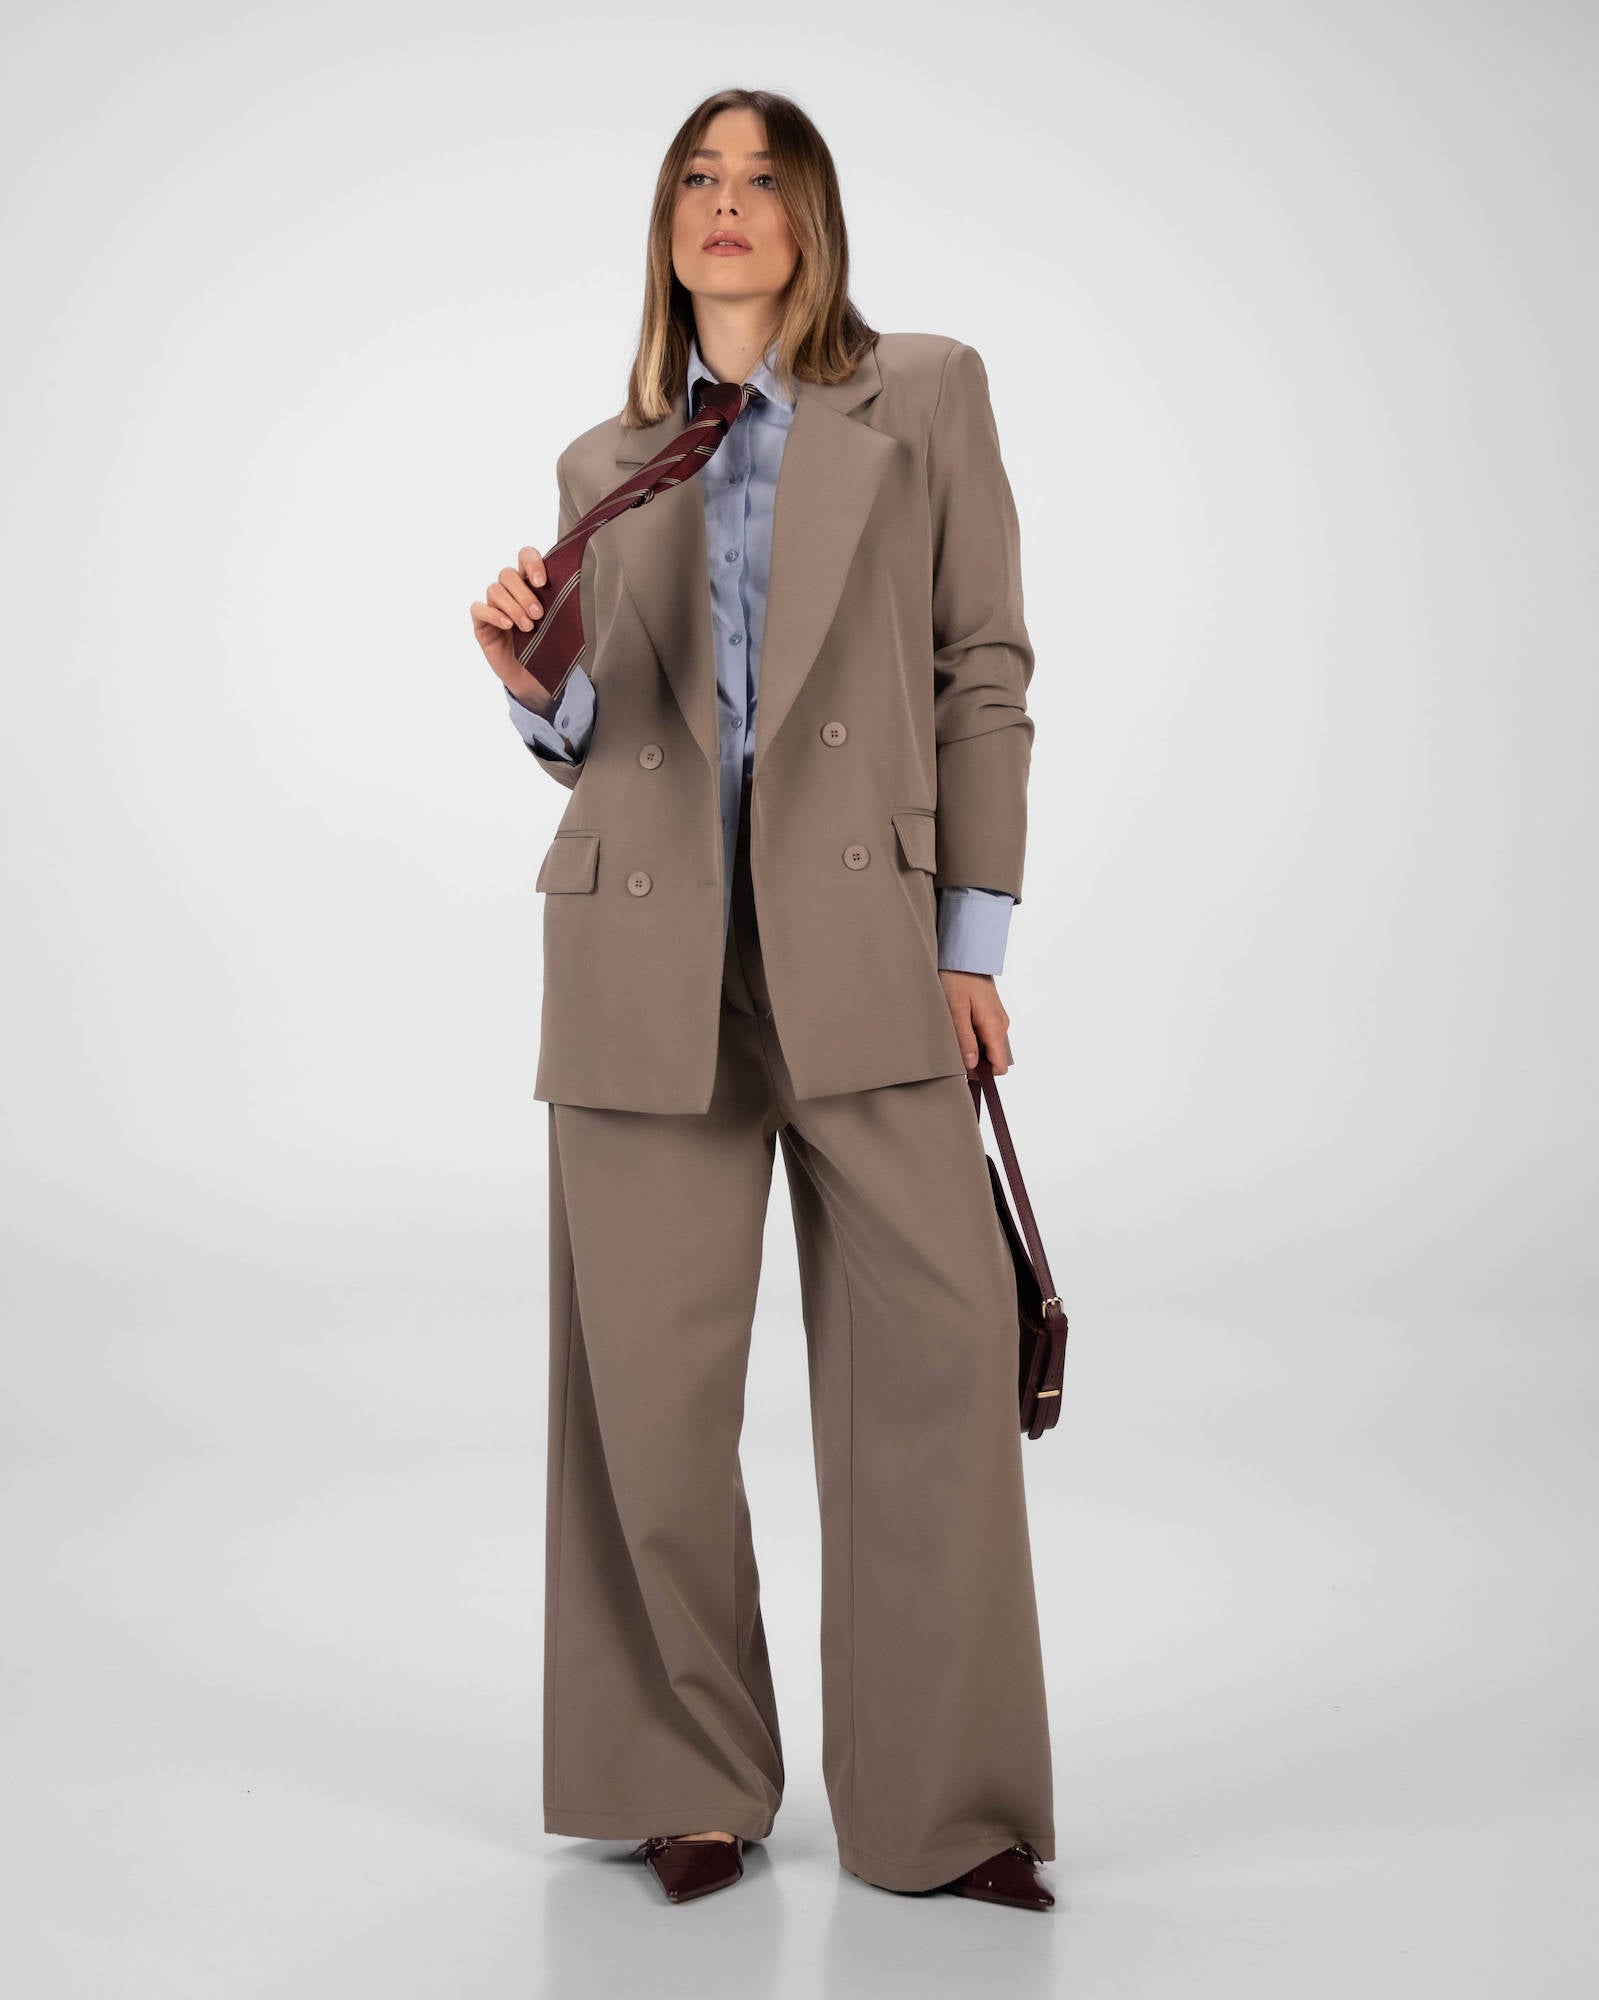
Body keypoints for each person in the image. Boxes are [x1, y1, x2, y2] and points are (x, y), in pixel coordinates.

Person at [470, 87, 1055, 1910]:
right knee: (648, 1398)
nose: (726, 203)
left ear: (813, 217)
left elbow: (983, 668)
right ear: (667, 224)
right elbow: (609, 738)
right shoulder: (606, 459)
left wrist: (971, 942)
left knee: (935, 1365)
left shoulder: (926, 396)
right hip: (648, 954)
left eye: (762, 177)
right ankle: (685, 1775)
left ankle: (945, 1808)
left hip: (868, 947)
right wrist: (533, 682)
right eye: (697, 178)